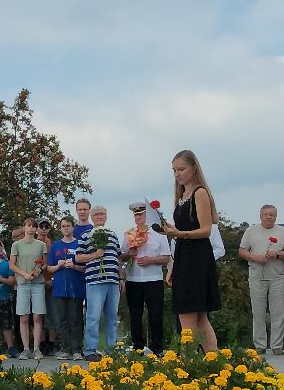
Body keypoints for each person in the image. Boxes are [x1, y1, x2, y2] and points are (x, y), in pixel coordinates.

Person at [160, 150, 220, 352]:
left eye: (181, 169)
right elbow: (181, 232)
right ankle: (214, 360)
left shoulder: (199, 193)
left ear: (193, 168)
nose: (177, 174)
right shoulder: (181, 196)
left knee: (189, 314)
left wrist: (179, 233)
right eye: (174, 170)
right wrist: (173, 266)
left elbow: (205, 230)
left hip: (197, 258)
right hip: (184, 256)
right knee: (199, 318)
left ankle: (188, 361)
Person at [239, 204, 284, 355]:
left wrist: (277, 254)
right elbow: (242, 251)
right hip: (257, 276)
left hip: (277, 276)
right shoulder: (251, 231)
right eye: (265, 214)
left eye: (271, 214)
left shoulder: (282, 231)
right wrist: (254, 257)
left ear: (276, 216)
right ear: (260, 216)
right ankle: (260, 344)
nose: (268, 217)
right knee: (258, 312)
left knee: (278, 312)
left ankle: (277, 345)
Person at [123, 201, 172, 355]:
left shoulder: (158, 234)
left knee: (155, 313)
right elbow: (122, 256)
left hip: (153, 279)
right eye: (135, 215)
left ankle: (157, 347)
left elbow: (166, 257)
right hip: (133, 279)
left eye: (141, 214)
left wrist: (150, 260)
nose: (137, 218)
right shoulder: (129, 233)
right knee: (135, 314)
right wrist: (129, 253)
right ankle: (137, 346)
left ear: (148, 215)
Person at [77, 206, 123, 359]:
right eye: (96, 214)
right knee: (93, 317)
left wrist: (121, 277)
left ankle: (112, 350)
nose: (99, 216)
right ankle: (90, 350)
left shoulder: (112, 234)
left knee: (112, 318)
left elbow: (118, 257)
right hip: (95, 281)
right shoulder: (86, 235)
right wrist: (95, 255)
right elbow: (78, 257)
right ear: (91, 217)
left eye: (102, 214)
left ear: (106, 216)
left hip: (113, 280)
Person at [46, 220, 85, 360]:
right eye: (63, 226)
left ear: (73, 227)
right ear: (60, 229)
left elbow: (86, 268)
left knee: (76, 319)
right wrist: (58, 266)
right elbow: (49, 268)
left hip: (76, 288)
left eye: (68, 226)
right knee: (62, 320)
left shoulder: (80, 244)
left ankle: (77, 350)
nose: (66, 228)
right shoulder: (56, 245)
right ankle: (66, 349)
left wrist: (74, 266)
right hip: (59, 289)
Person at [9, 217, 47, 359]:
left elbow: (44, 263)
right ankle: (26, 349)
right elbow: (12, 265)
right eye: (29, 225)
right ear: (24, 227)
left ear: (36, 229)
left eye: (33, 226)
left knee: (37, 316)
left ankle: (36, 348)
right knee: (23, 317)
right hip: (23, 284)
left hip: (38, 283)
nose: (31, 228)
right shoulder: (17, 245)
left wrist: (39, 270)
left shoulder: (41, 245)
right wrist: (24, 274)